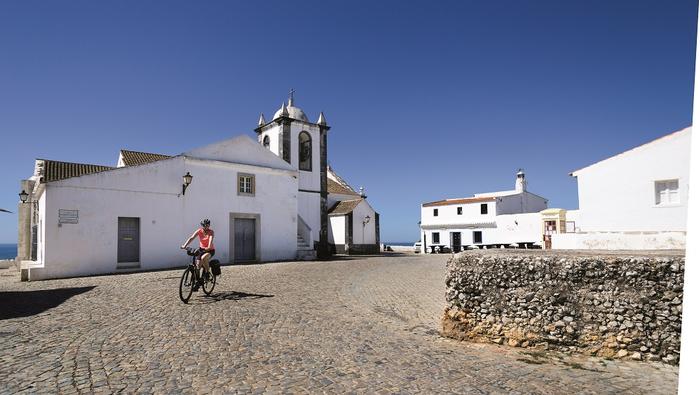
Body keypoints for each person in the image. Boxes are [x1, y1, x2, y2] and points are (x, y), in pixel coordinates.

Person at [181, 219, 215, 290]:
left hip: (210, 250)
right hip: (201, 249)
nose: (206, 227)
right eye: (205, 225)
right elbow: (192, 238)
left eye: (208, 225)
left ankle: (207, 273)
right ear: (202, 225)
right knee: (197, 266)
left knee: (203, 258)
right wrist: (185, 245)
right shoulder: (199, 231)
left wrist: (208, 246)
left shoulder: (211, 232)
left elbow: (210, 240)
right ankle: (198, 282)